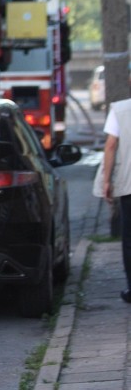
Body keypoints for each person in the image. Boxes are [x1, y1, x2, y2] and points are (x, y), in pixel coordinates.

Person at [96, 97, 131, 303]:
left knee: (129, 238)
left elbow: (110, 145)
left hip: (129, 183)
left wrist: (107, 180)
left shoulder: (120, 109)